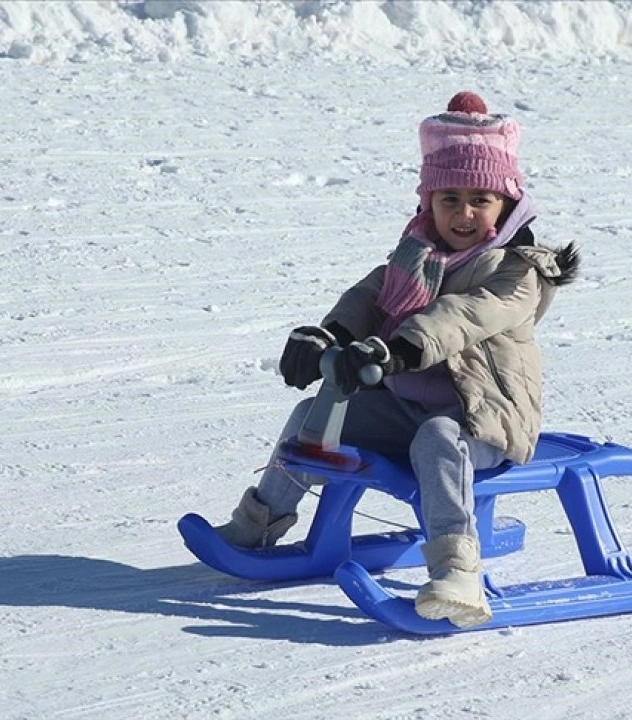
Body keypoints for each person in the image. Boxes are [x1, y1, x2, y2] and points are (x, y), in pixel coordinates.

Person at [214, 91, 579, 628]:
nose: (463, 213)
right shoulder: (416, 255)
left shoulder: (518, 272)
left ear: (506, 202)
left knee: (438, 439)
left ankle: (458, 570)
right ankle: (258, 523)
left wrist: (400, 346)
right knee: (315, 418)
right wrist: (327, 336)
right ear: (427, 201)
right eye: (449, 198)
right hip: (403, 408)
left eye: (480, 199)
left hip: (484, 420)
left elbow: (466, 315)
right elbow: (369, 295)